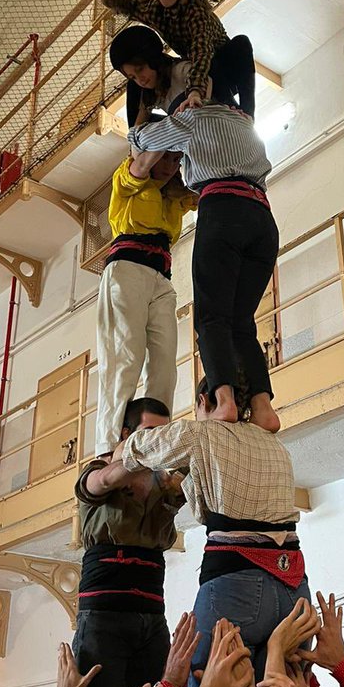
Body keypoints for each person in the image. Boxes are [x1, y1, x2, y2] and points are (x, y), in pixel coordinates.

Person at [110, 376, 308, 687]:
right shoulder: (276, 446)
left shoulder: (204, 435)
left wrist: (121, 446)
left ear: (205, 401)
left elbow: (139, 449)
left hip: (236, 584)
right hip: (293, 585)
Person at [127, 92, 280, 432]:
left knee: (212, 318)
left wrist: (170, 118)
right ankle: (263, 407)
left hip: (223, 211)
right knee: (242, 323)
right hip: (264, 220)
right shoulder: (245, 123)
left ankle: (224, 401)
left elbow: (140, 138)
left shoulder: (192, 119)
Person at [74, 397, 185, 687]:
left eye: (161, 434)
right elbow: (103, 482)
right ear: (127, 434)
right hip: (104, 613)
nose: (157, 441)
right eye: (149, 432)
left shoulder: (164, 482)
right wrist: (134, 457)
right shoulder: (99, 470)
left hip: (151, 612)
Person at [95, 137, 195, 456]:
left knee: (166, 362)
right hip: (127, 270)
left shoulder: (177, 196)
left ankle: (157, 437)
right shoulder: (129, 181)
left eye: (176, 160)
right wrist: (167, 131)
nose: (170, 166)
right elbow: (141, 164)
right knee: (125, 356)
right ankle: (109, 445)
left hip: (161, 278)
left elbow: (207, 187)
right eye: (165, 158)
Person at [98, 0, 255, 118]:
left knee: (241, 43)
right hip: (194, 69)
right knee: (134, 85)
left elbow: (201, 52)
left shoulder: (197, 13)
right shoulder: (157, 11)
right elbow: (132, 7)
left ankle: (244, 112)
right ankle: (138, 134)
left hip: (223, 71)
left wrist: (195, 90)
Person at [108, 26, 220, 128]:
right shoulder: (151, 93)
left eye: (140, 69)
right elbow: (138, 124)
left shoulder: (180, 70)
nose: (140, 80)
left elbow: (205, 82)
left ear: (153, 59)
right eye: (133, 77)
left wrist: (200, 101)